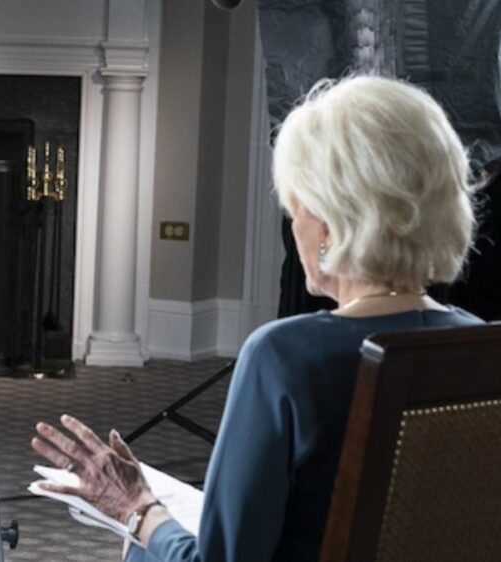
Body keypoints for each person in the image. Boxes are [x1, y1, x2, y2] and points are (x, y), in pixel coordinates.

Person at [32, 75, 482, 561]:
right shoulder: (480, 345)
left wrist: (137, 509)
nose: (295, 226)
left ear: (331, 223)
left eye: (296, 209)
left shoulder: (285, 358)